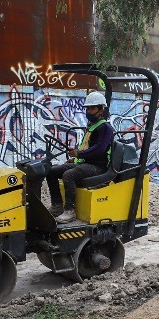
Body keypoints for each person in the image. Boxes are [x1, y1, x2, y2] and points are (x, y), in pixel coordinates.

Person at [47, 91, 115, 223]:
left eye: (92, 108)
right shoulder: (91, 127)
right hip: (85, 163)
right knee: (51, 171)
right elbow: (86, 147)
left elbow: (99, 149)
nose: (89, 111)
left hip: (97, 167)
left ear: (101, 109)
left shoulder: (105, 128)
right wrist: (76, 158)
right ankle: (56, 206)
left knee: (69, 175)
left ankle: (70, 211)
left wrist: (79, 154)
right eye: (87, 108)